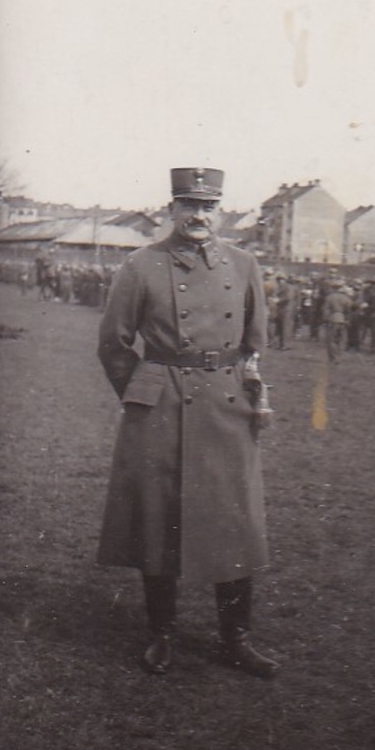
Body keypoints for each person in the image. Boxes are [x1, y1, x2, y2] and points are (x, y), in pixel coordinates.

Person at [97, 166, 278, 679]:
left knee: (234, 520)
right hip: (163, 407)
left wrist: (249, 387)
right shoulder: (141, 265)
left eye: (208, 207)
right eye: (189, 206)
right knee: (159, 518)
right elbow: (113, 344)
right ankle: (163, 633)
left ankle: (236, 637)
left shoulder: (244, 264)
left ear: (219, 212)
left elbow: (254, 342)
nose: (199, 216)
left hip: (226, 406)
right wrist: (145, 392)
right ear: (171, 209)